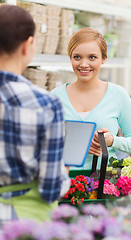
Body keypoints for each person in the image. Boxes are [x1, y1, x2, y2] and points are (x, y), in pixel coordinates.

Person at [0, 5, 70, 227]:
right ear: (28, 45)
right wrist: (63, 175)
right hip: (23, 225)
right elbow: (50, 189)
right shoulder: (45, 104)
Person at [51, 27, 131, 170]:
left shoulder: (118, 95)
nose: (83, 64)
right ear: (70, 58)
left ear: (104, 59)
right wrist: (74, 147)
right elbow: (41, 143)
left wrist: (112, 141)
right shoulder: (55, 97)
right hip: (61, 183)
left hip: (102, 184)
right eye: (77, 57)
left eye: (92, 57)